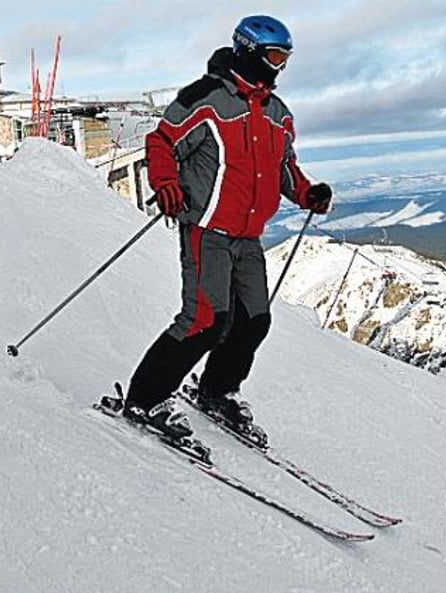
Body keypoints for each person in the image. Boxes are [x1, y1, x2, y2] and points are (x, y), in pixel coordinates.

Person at [121, 15, 332, 439]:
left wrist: (308, 194)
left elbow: (284, 169)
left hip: (248, 237)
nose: (279, 67)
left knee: (254, 321)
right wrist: (164, 183)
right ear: (249, 52)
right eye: (274, 56)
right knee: (204, 320)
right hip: (207, 230)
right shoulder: (206, 100)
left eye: (285, 59)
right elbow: (162, 142)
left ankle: (218, 391)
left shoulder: (278, 114)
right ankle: (144, 399)